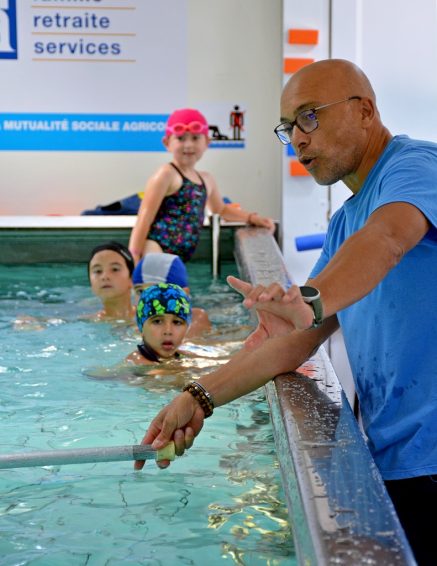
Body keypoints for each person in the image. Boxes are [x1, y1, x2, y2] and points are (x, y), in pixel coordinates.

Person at [134, 60, 437, 565]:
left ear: (364, 111)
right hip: (401, 462)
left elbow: (387, 239)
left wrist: (310, 300)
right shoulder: (345, 223)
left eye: (309, 116)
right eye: (288, 126)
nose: (297, 138)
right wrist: (198, 395)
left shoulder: (416, 167)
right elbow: (294, 339)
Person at [128, 108, 275, 264]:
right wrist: (134, 255)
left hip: (179, 258)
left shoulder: (206, 179)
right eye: (181, 138)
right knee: (155, 286)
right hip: (156, 247)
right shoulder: (166, 174)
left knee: (178, 289)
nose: (188, 145)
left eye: (195, 138)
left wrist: (252, 218)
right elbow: (145, 217)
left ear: (207, 142)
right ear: (167, 143)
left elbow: (221, 209)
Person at [132, 252, 211, 338]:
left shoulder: (195, 318)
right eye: (140, 291)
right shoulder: (133, 318)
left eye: (156, 292)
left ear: (184, 294)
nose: (145, 299)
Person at [126, 283, 192, 365]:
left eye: (177, 322)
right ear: (141, 328)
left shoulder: (183, 355)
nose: (168, 331)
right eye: (157, 321)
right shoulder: (137, 362)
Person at [87, 241, 136, 322]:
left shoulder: (153, 317)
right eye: (98, 271)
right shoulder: (86, 323)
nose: (105, 277)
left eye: (115, 269)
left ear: (131, 278)